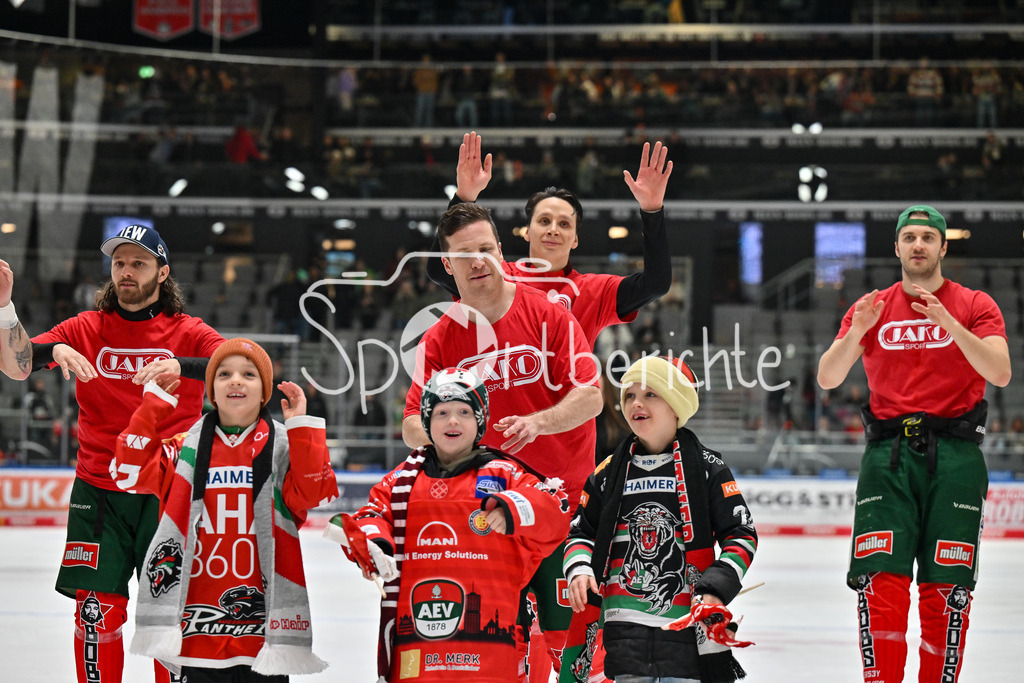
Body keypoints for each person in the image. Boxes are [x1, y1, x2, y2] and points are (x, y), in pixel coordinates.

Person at [0, 225, 225, 683]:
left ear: (162, 273)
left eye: (138, 263)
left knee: (173, 620)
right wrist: (8, 311)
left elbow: (242, 367)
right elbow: (15, 365)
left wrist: (184, 366)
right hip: (99, 493)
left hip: (170, 495)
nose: (125, 271)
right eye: (119, 262)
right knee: (95, 617)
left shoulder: (188, 332)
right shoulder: (84, 328)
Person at [403, 202, 603, 678]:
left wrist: (539, 422)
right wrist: (443, 438)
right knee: (496, 653)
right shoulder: (440, 337)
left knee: (575, 656)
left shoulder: (547, 315)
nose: (479, 262)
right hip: (486, 518)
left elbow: (591, 396)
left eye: (487, 250)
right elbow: (413, 421)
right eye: (465, 254)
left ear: (501, 250)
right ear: (447, 266)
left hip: (564, 512)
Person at [817, 205, 1011, 683]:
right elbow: (828, 376)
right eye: (909, 237)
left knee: (947, 586)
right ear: (897, 247)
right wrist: (858, 330)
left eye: (928, 237)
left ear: (944, 247)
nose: (918, 245)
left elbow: (1000, 372)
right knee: (880, 583)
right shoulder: (871, 306)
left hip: (957, 457)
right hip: (888, 456)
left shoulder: (974, 304)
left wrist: (951, 326)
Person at [109, 337, 338, 679]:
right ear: (211, 393)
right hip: (196, 634)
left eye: (248, 374)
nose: (235, 380)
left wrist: (301, 428)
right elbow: (126, 474)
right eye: (224, 374)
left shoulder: (284, 446)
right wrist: (151, 409)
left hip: (263, 638)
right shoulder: (183, 447)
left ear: (264, 393)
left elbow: (312, 492)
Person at [336, 368, 572, 682]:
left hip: (491, 657)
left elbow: (557, 513)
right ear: (426, 421)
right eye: (442, 412)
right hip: (417, 654)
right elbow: (369, 517)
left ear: (480, 421)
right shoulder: (403, 480)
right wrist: (375, 544)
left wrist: (515, 507)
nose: (452, 421)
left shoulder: (507, 475)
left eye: (464, 411)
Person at [561, 355, 758, 683]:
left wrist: (715, 587)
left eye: (650, 394)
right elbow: (581, 532)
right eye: (628, 396)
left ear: (677, 404)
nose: (636, 402)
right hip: (622, 629)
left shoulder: (709, 469)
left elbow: (742, 534)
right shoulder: (608, 473)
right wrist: (580, 569)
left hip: (686, 629)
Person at [427, 131, 674, 350]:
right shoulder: (498, 275)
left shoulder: (593, 292)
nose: (553, 230)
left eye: (564, 224)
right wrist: (464, 197)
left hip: (567, 401)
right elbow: (439, 269)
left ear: (575, 239)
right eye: (544, 221)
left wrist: (652, 211)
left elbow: (656, 284)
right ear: (527, 232)